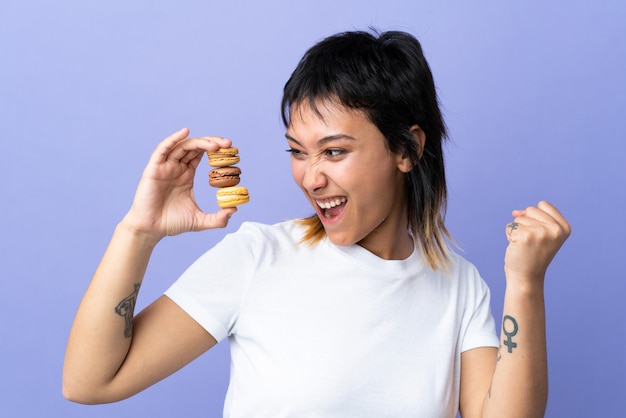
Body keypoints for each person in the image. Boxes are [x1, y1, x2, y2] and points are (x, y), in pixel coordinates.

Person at [63, 30, 571, 417]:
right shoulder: (258, 258)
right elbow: (90, 382)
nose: (310, 177)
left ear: (408, 148)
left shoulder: (460, 288)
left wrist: (525, 284)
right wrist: (139, 230)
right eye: (298, 152)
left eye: (334, 151)